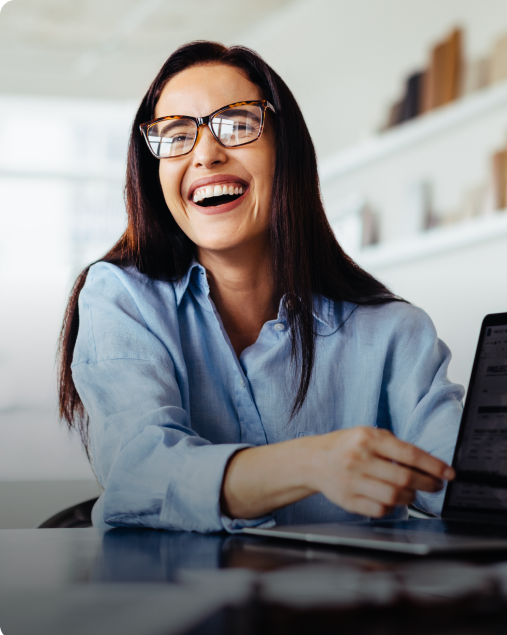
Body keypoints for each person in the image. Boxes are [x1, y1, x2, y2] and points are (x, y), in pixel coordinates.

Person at [58, 41, 463, 532]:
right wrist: (312, 463)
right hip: (179, 605)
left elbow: (466, 485)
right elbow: (139, 471)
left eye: (238, 124)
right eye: (176, 134)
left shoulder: (393, 331)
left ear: (285, 150)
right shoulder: (120, 298)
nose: (206, 154)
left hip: (345, 605)